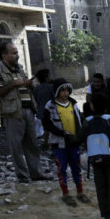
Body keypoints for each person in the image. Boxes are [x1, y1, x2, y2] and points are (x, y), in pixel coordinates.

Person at [0, 41, 49, 183]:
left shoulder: (20, 68)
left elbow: (25, 85)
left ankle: (36, 173)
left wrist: (29, 84)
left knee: (32, 144)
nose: (17, 55)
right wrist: (14, 84)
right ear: (4, 55)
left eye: (17, 52)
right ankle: (23, 176)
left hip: (28, 109)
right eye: (14, 53)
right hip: (12, 112)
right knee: (16, 146)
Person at [41, 78, 89, 206]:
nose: (66, 93)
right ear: (57, 92)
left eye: (67, 90)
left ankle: (80, 191)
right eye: (62, 90)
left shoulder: (73, 104)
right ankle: (66, 193)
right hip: (59, 143)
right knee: (61, 168)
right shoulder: (50, 106)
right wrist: (61, 133)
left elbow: (79, 121)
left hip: (73, 142)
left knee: (76, 167)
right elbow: (47, 123)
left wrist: (80, 137)